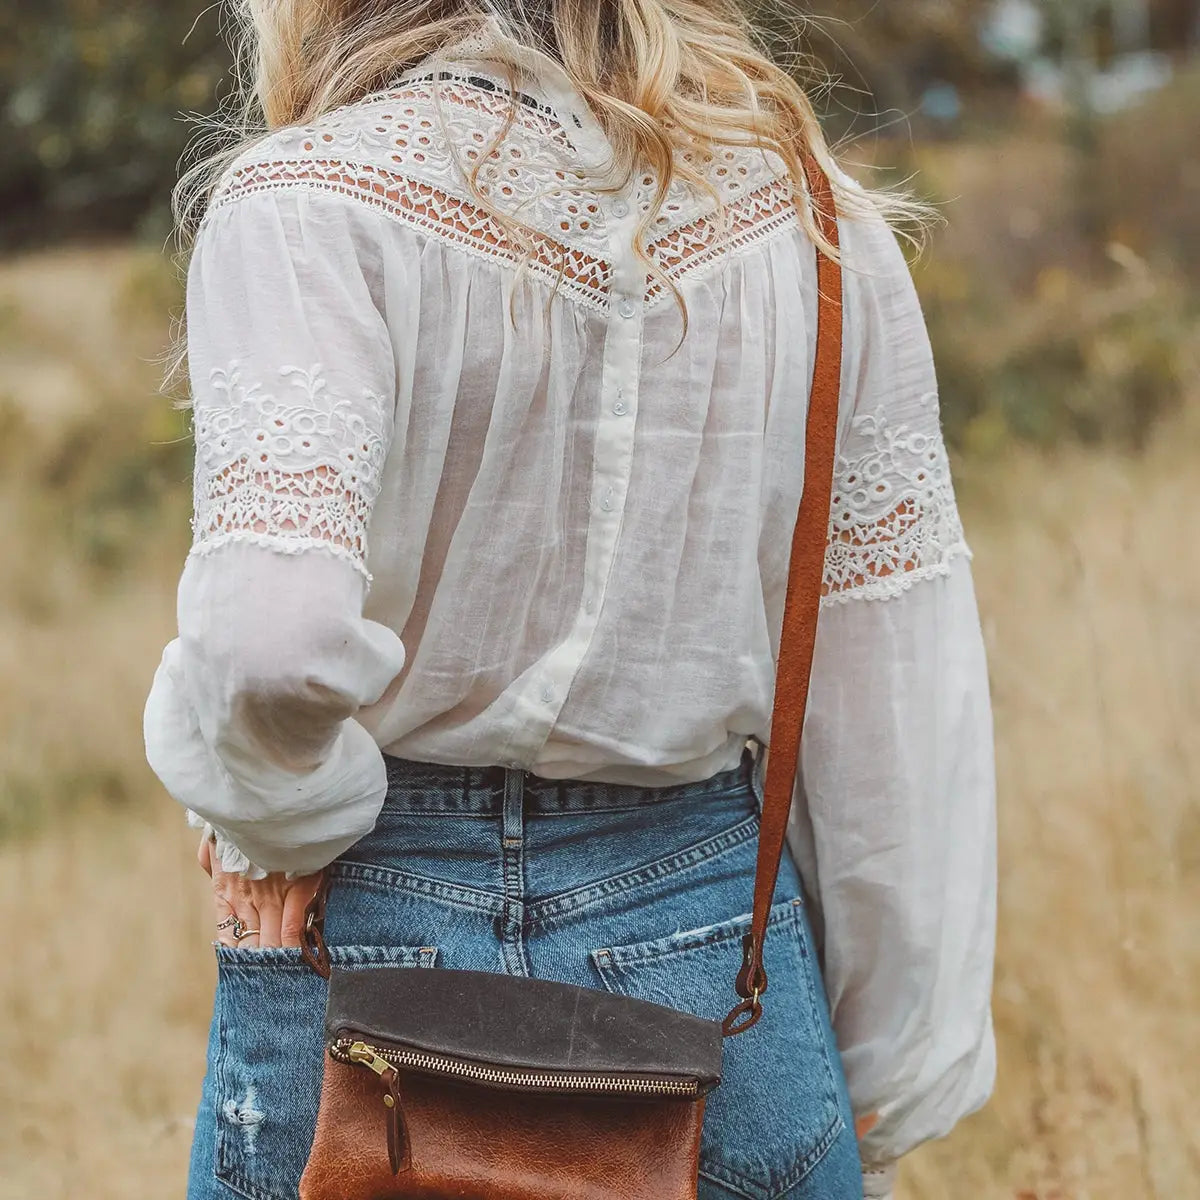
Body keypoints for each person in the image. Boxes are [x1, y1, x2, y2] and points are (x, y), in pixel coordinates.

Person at [143, 4, 997, 1199]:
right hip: (711, 933)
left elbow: (269, 644)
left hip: (364, 922)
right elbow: (891, 706)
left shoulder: (301, 207)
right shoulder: (818, 229)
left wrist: (281, 816)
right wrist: (887, 1072)